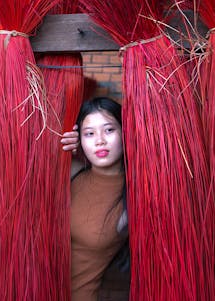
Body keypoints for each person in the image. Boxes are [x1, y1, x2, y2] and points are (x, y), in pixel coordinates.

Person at [61, 97, 129, 301]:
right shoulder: (71, 173)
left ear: (125, 132)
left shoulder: (133, 197)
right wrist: (57, 146)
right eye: (89, 134)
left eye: (109, 130)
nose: (100, 140)